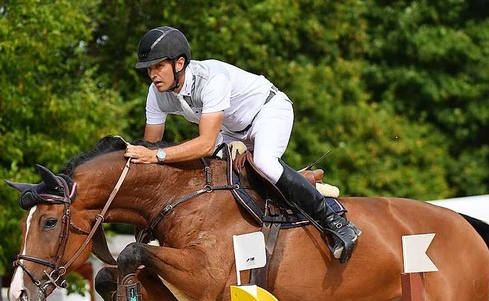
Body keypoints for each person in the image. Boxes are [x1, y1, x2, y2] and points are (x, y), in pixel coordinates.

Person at [125, 26, 360, 263]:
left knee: (264, 163)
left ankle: (335, 221)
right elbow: (150, 145)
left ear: (179, 63)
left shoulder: (211, 79)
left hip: (268, 111)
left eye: (159, 66)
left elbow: (203, 144)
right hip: (232, 131)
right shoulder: (156, 94)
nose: (153, 74)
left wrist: (156, 156)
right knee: (208, 173)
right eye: (149, 69)